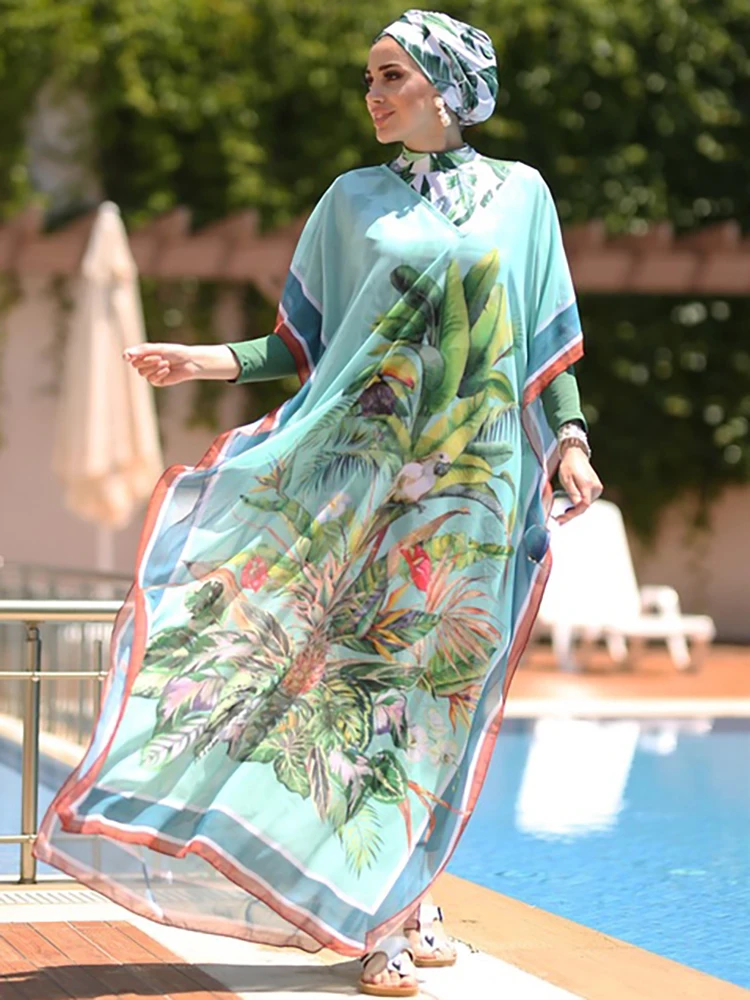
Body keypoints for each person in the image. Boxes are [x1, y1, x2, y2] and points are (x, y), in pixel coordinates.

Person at [34, 9, 602, 998]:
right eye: (369, 79)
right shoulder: (350, 201)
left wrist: (572, 442)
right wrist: (204, 360)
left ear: (446, 88)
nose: (373, 95)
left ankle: (410, 898)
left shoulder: (523, 198)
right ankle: (376, 924)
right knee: (355, 693)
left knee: (432, 705)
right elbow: (302, 344)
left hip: (469, 499)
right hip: (357, 492)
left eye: (392, 76)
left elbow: (549, 345)